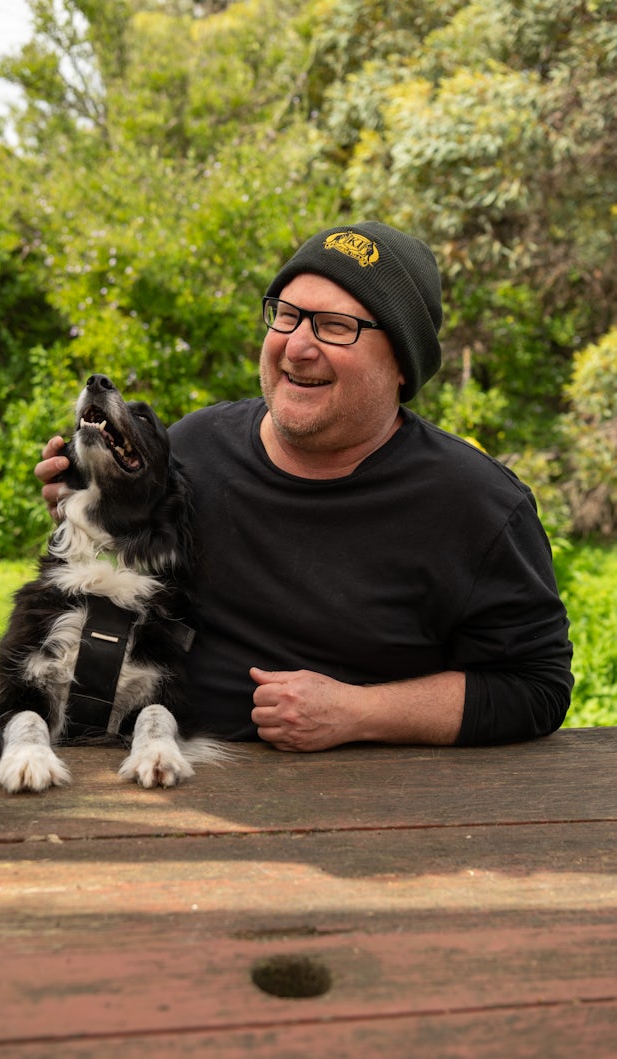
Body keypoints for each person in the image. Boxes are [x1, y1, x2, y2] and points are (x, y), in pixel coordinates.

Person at [36, 221, 573, 751]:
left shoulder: (477, 505)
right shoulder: (198, 446)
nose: (296, 347)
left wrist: (361, 712)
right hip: (166, 771)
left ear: (402, 367)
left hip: (368, 808)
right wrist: (85, 510)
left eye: (335, 325)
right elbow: (126, 571)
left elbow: (535, 687)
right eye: (287, 316)